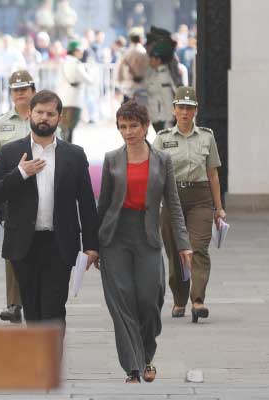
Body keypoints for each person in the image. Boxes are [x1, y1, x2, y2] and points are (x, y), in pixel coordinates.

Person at [97, 100, 192, 383]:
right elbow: (102, 206)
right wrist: (91, 246)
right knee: (122, 301)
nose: (128, 132)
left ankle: (147, 353)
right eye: (123, 127)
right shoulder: (112, 159)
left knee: (150, 299)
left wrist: (184, 243)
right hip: (115, 236)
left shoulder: (162, 160)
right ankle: (134, 367)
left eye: (133, 126)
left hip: (148, 235)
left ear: (146, 126)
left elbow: (173, 205)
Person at [0, 90, 99, 326]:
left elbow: (87, 203)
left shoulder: (74, 155)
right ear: (29, 114)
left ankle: (51, 363)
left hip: (59, 244)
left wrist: (91, 245)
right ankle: (38, 362)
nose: (44, 118)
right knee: (33, 312)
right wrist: (20, 173)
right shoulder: (11, 152)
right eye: (39, 112)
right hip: (24, 244)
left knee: (53, 311)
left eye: (50, 114)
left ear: (59, 118)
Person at [153, 86, 225, 323]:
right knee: (175, 253)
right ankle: (180, 298)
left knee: (198, 248)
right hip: (172, 199)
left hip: (200, 198)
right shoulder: (163, 139)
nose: (185, 112)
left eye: (189, 108)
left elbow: (213, 173)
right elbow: (153, 175)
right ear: (174, 110)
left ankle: (198, 300)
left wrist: (219, 207)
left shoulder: (206, 136)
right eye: (181, 107)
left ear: (196, 111)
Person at [0, 70, 37, 323]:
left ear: (33, 91)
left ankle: (35, 298)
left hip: (40, 191)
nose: (19, 94)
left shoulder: (42, 118)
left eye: (24, 89)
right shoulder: (1, 123)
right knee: (13, 249)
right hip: (12, 192)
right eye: (15, 90)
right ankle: (14, 303)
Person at [56, 41, 93, 143]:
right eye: (80, 51)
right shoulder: (77, 64)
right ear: (75, 51)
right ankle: (67, 152)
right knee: (69, 129)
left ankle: (63, 151)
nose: (82, 53)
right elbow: (90, 80)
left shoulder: (63, 63)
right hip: (73, 101)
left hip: (62, 100)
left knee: (63, 129)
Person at [146, 41, 177, 132]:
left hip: (163, 119)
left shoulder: (163, 76)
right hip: (157, 117)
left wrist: (169, 122)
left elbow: (168, 98)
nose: (150, 61)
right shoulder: (155, 73)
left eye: (152, 58)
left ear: (158, 60)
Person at [118, 27, 149, 104]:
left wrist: (122, 84)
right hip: (143, 90)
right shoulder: (145, 54)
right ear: (141, 39)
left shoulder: (125, 53)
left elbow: (119, 74)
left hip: (128, 90)